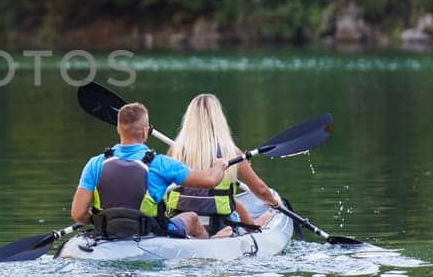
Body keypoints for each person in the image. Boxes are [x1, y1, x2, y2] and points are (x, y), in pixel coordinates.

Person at [70, 101, 231, 239]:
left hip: (107, 232)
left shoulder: (95, 164)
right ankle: (210, 243)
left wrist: (101, 221)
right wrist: (219, 165)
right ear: (145, 131)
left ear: (118, 128)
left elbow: (78, 214)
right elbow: (210, 180)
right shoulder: (161, 164)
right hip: (152, 233)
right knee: (192, 218)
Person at [166, 92, 282, 236]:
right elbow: (261, 190)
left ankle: (247, 226)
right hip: (219, 224)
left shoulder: (175, 151)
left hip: (181, 223)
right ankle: (232, 232)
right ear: (219, 120)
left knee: (230, 201)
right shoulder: (231, 152)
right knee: (252, 212)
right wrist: (275, 204)